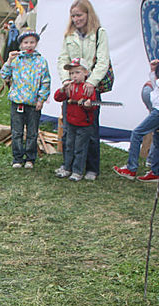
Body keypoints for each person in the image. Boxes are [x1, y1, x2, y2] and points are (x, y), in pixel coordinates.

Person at [113, 40, 159, 182]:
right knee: (158, 139)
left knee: (137, 132)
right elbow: (157, 83)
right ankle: (155, 172)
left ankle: (131, 168)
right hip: (158, 107)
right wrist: (153, 71)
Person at [56, 0, 110, 181]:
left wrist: (92, 82)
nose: (76, 19)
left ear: (88, 14)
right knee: (69, 128)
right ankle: (68, 165)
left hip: (89, 86)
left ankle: (91, 167)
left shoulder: (99, 33)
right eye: (73, 16)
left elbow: (103, 60)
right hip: (72, 86)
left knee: (91, 129)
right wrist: (66, 81)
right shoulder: (69, 35)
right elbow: (62, 58)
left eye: (79, 15)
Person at [0, 30, 50, 169]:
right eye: (26, 42)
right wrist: (9, 61)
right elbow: (4, 75)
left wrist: (41, 99)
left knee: (32, 133)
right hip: (17, 102)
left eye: (32, 42)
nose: (29, 45)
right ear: (21, 44)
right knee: (17, 132)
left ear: (36, 44)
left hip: (33, 104)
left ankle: (30, 158)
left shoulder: (41, 61)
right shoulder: (16, 60)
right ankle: (17, 158)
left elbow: (46, 82)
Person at [53, 59, 97, 182]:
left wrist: (87, 104)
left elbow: (93, 106)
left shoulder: (88, 88)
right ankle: (67, 168)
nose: (74, 76)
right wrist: (62, 89)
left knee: (80, 148)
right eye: (71, 73)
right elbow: (57, 98)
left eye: (77, 72)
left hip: (84, 124)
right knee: (69, 146)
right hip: (71, 122)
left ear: (85, 73)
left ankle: (77, 171)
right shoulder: (70, 87)